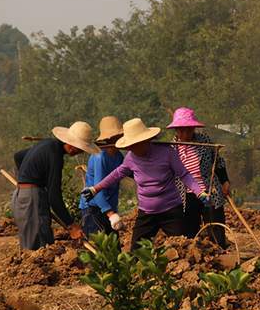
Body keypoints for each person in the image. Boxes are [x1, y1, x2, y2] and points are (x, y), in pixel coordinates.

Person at [81, 118, 208, 250]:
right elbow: (116, 174)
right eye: (130, 146)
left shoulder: (167, 153)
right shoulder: (130, 158)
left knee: (183, 246)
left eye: (137, 144)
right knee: (137, 251)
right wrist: (95, 189)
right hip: (146, 213)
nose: (133, 148)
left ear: (146, 140)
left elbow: (184, 174)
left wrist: (199, 191)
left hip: (171, 210)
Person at [13, 121, 99, 250]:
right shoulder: (55, 156)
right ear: (72, 146)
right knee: (40, 246)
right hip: (32, 199)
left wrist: (27, 178)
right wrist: (71, 225)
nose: (80, 152)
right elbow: (54, 197)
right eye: (81, 149)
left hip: (22, 195)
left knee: (31, 243)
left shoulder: (47, 145)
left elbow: (18, 156)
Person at [167, 107, 230, 248]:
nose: (185, 133)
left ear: (194, 128)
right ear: (176, 130)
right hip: (186, 196)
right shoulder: (172, 148)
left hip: (209, 192)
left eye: (189, 129)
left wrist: (225, 181)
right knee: (190, 232)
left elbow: (217, 162)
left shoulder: (204, 141)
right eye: (181, 130)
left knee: (216, 229)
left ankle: (220, 254)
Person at [78, 116, 125, 236]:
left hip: (108, 207)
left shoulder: (119, 156)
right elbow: (97, 190)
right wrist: (111, 214)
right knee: (99, 249)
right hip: (93, 208)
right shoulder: (100, 157)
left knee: (113, 249)